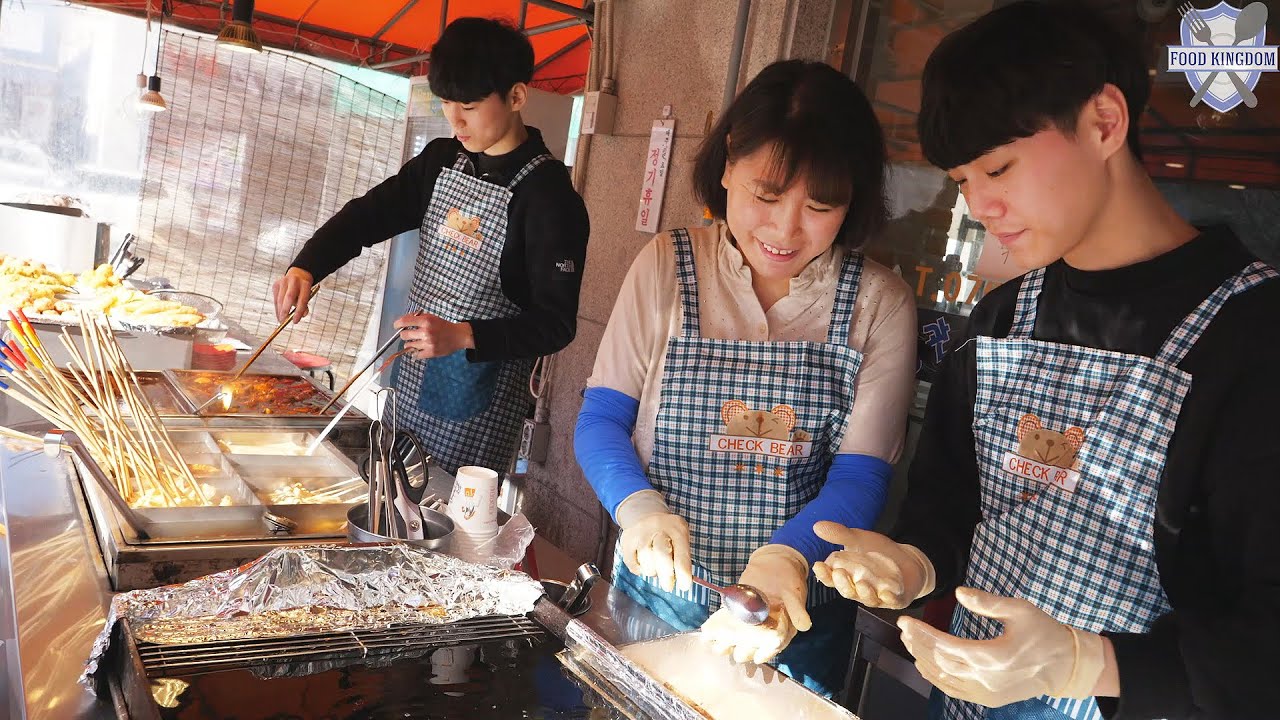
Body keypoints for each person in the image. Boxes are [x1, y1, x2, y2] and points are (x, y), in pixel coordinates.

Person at [810, 2, 1280, 718]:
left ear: (1103, 122)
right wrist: (913, 563)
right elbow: (947, 507)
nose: (980, 206)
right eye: (964, 180)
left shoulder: (1252, 336)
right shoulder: (1001, 321)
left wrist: (1086, 662)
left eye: (998, 167)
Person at [574, 59, 918, 696]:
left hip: (796, 613)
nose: (785, 230)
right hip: (662, 594)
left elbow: (862, 475)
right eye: (766, 195)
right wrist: (638, 506)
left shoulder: (879, 303)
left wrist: (786, 557)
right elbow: (601, 421)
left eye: (820, 206)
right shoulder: (665, 268)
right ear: (729, 161)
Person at [272, 17, 589, 474]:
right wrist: (307, 266)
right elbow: (367, 216)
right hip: (412, 377)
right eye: (445, 103)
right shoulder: (442, 160)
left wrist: (463, 335)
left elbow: (555, 324)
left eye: (469, 105)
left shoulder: (548, 197)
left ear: (517, 96)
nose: (454, 119)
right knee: (387, 497)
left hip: (481, 398)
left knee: (444, 525)